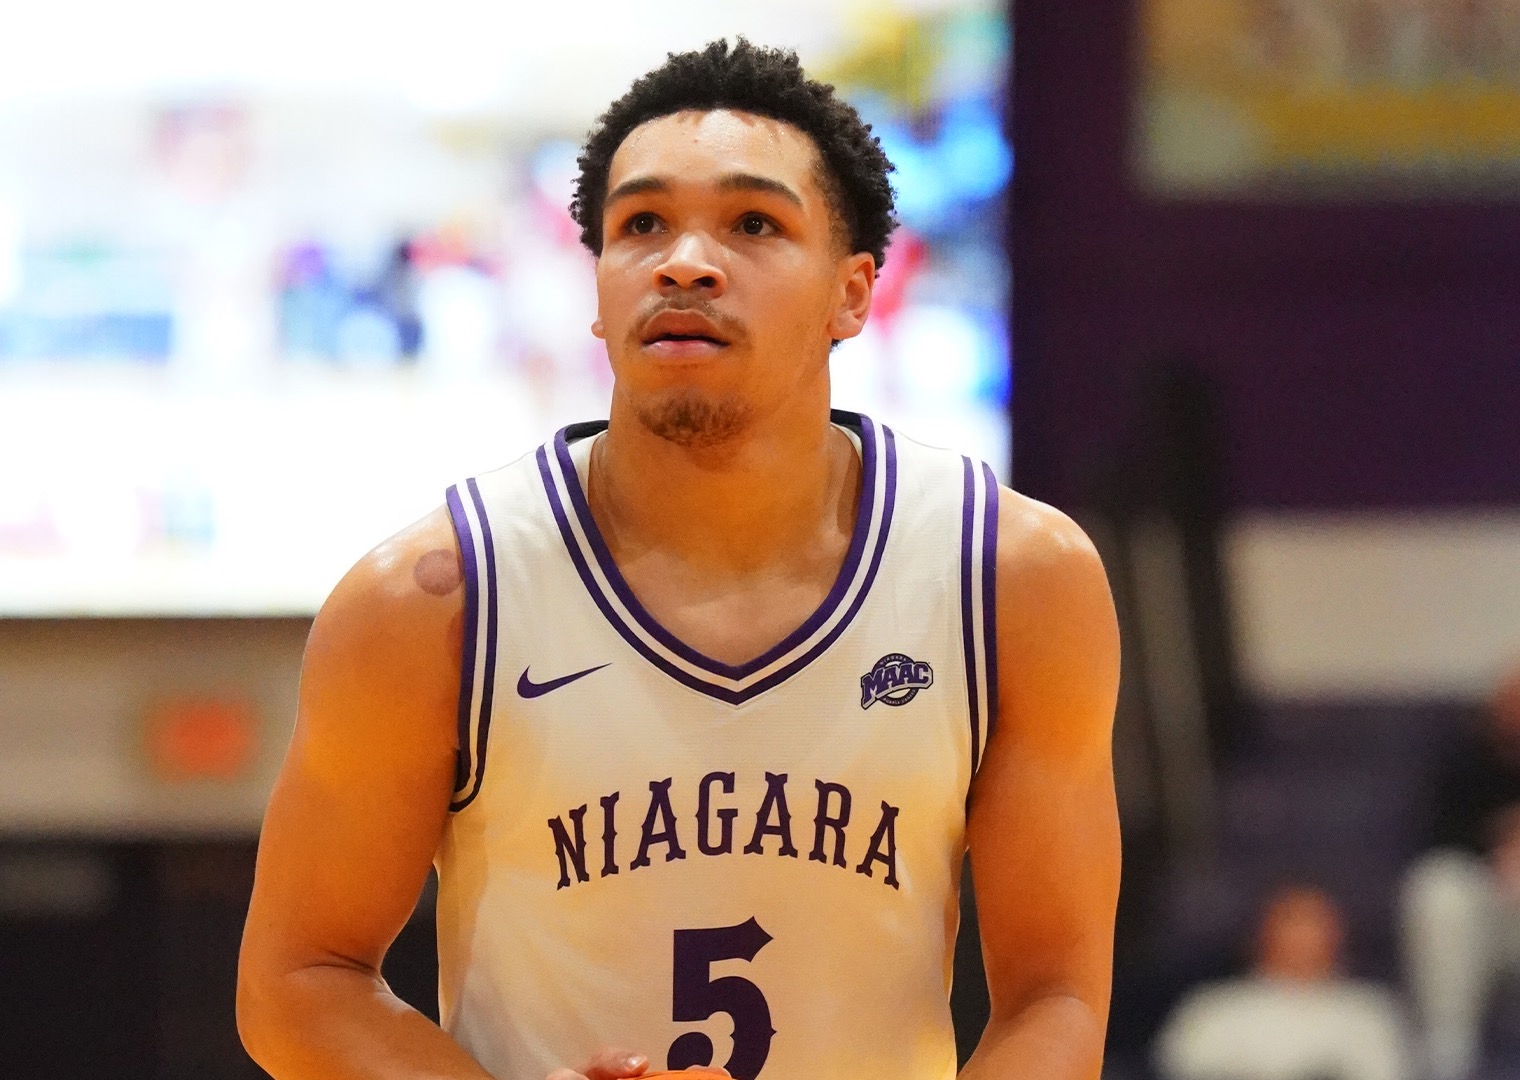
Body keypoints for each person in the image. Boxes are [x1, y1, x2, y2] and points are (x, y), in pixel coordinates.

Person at [236, 39, 1121, 1080]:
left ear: (853, 295)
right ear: (596, 289)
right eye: (641, 225)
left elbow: (1056, 995)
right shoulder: (433, 601)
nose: (684, 262)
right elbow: (300, 983)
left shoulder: (1012, 580)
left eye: (754, 224)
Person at [1156, 884, 1412, 1080]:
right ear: (1263, 931)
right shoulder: (1210, 1008)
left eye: (1313, 923)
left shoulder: (1370, 1013)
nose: (1303, 937)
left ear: (1337, 934)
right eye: (1291, 921)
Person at [1401, 664, 1520, 1080]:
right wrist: (1502, 839)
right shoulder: (1464, 764)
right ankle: (1447, 1054)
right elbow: (1438, 838)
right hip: (1484, 908)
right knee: (1439, 888)